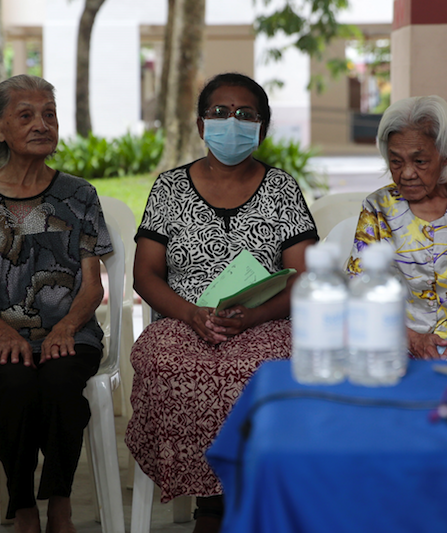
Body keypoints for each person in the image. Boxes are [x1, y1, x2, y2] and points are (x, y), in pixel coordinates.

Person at [125, 72, 318, 533]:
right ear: (199, 125)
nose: (231, 122)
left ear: (262, 128)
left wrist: (254, 315)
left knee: (262, 370)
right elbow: (145, 273)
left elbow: (305, 277)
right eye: (219, 112)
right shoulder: (170, 189)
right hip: (184, 318)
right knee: (164, 364)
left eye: (245, 115)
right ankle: (211, 505)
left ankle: (252, 496)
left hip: (266, 321)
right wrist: (191, 314)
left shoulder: (281, 190)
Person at [0, 74, 112, 533]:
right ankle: (24, 511)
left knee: (60, 384)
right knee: (14, 388)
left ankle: (59, 502)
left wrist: (65, 328)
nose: (42, 124)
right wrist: (3, 332)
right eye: (26, 115)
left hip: (70, 334)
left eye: (49, 114)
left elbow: (93, 285)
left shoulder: (78, 195)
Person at [347, 95, 447, 360]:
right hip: (393, 333)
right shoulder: (377, 208)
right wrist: (413, 339)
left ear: (444, 157)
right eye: (396, 162)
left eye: (419, 162)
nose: (407, 173)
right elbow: (359, 289)